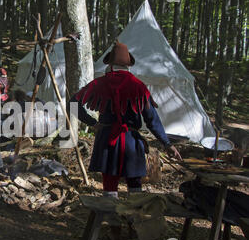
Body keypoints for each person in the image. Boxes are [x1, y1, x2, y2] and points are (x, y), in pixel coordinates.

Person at [70, 41, 182, 198]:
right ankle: (132, 219)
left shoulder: (99, 83)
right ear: (128, 65)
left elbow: (72, 103)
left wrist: (92, 123)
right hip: (131, 142)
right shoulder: (138, 86)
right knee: (135, 187)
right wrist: (167, 144)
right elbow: (152, 120)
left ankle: (110, 217)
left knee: (109, 186)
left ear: (110, 64)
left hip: (107, 139)